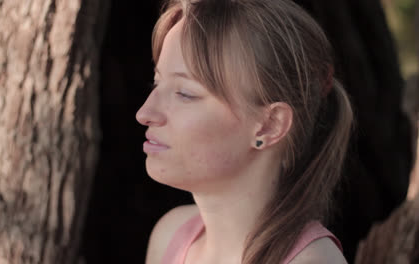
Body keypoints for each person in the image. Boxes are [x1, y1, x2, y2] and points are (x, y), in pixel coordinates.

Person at [136, 0, 353, 263]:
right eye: (156, 83)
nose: (145, 113)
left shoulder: (312, 261)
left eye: (185, 93)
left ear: (269, 125)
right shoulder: (170, 236)